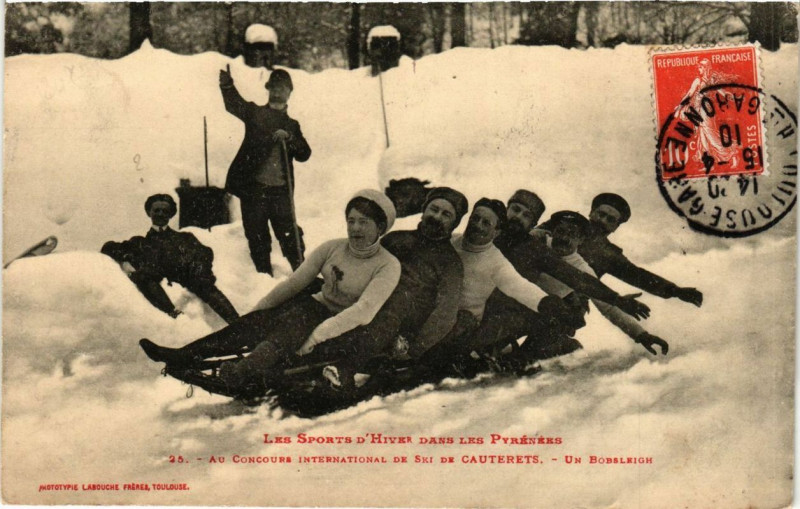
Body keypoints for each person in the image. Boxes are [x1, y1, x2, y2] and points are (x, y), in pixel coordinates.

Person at [139, 190, 401, 394]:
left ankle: (242, 372)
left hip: (348, 326)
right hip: (317, 307)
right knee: (264, 320)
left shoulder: (388, 265)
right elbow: (294, 284)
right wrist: (256, 313)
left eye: (364, 222)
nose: (355, 228)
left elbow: (363, 312)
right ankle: (183, 354)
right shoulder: (332, 247)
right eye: (351, 220)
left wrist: (316, 338)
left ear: (380, 227)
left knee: (294, 324)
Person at [310, 187, 468, 388]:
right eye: (434, 209)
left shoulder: (450, 263)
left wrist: (415, 349)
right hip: (370, 298)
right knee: (318, 285)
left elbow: (445, 312)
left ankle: (346, 368)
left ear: (454, 223)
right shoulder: (397, 239)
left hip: (404, 317)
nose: (437, 217)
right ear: (424, 210)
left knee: (398, 298)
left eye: (446, 214)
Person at [419, 198, 562, 371]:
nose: (477, 225)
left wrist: (545, 302)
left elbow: (520, 286)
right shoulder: (451, 242)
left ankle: (432, 362)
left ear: (496, 232)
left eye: (486, 223)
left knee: (460, 323)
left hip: (463, 323)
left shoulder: (496, 261)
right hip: (434, 310)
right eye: (475, 218)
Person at [509, 211, 669, 363]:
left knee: (566, 314)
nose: (564, 238)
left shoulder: (583, 269)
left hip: (545, 316)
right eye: (560, 231)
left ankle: (530, 354)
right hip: (514, 305)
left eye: (572, 234)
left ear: (581, 240)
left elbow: (608, 308)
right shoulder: (537, 242)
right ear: (552, 232)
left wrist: (641, 335)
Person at [220, 65, 312, 274]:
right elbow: (234, 105)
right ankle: (263, 278)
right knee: (257, 236)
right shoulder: (256, 114)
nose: (278, 91)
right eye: (274, 87)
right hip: (254, 191)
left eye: (283, 88)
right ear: (268, 89)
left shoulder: (292, 125)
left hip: (281, 192)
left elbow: (304, 154)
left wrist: (289, 138)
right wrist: (227, 85)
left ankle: (302, 277)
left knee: (290, 235)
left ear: (290, 92)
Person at [540, 193, 703, 307]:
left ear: (615, 227)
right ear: (591, 213)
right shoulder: (565, 222)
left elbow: (638, 275)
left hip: (567, 302)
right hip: (533, 280)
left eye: (610, 220)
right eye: (600, 214)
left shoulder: (609, 254)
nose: (602, 221)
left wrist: (674, 290)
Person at [101, 194, 239, 324]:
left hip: (190, 280)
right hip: (159, 287)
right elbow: (108, 247)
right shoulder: (140, 242)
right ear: (149, 213)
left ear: (170, 215)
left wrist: (198, 269)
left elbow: (205, 253)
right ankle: (174, 313)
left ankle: (237, 323)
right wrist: (125, 259)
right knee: (143, 276)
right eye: (157, 210)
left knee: (206, 286)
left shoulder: (185, 238)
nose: (160, 214)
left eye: (165, 211)